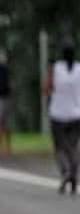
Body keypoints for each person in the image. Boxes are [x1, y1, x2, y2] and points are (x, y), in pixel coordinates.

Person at [43, 43, 80, 194]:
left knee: (59, 147)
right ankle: (74, 173)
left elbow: (45, 88)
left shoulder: (55, 68)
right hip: (77, 114)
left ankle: (65, 171)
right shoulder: (79, 69)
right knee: (73, 146)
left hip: (58, 113)